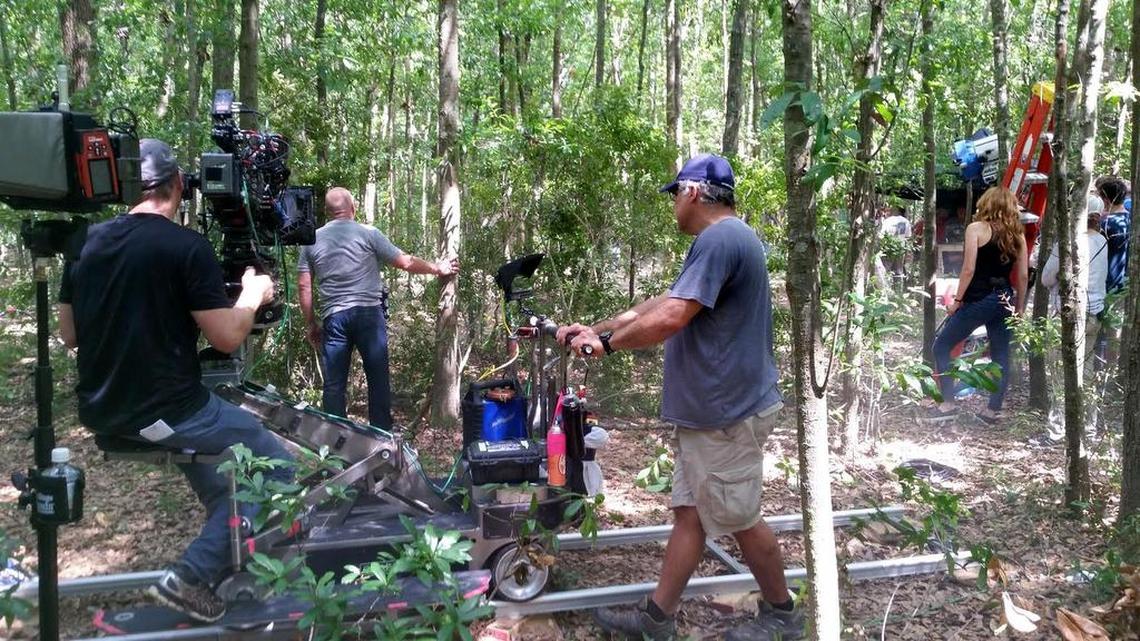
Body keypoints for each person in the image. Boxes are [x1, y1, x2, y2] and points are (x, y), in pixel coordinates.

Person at [558, 154, 801, 641]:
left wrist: (605, 346)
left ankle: (783, 616)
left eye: (675, 194)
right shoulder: (723, 240)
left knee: (741, 518)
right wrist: (600, 327)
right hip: (711, 414)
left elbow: (673, 317)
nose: (673, 205)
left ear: (693, 192)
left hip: (726, 414)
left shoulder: (722, 238)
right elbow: (662, 303)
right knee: (691, 515)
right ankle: (657, 620)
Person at [57, 139, 294, 622]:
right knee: (276, 467)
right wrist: (251, 293)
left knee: (224, 485)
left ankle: (223, 554)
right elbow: (227, 338)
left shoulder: (86, 242)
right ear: (179, 187)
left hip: (104, 409)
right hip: (167, 409)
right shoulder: (184, 246)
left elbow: (69, 333)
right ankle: (189, 577)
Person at [297, 187, 459, 429]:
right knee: (378, 379)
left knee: (334, 385)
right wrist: (438, 268)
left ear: (327, 212)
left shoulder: (311, 240)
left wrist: (311, 323)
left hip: (334, 318)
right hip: (368, 316)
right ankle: (381, 437)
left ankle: (334, 440)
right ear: (353, 208)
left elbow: (303, 286)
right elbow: (404, 262)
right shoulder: (368, 233)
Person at [928, 187, 1028, 424]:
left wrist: (957, 301)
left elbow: (969, 268)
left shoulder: (976, 229)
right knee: (1000, 354)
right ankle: (993, 410)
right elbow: (1023, 276)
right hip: (1004, 298)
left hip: (978, 298)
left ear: (986, 204)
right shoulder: (1018, 235)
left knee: (941, 346)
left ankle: (948, 403)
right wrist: (1020, 307)